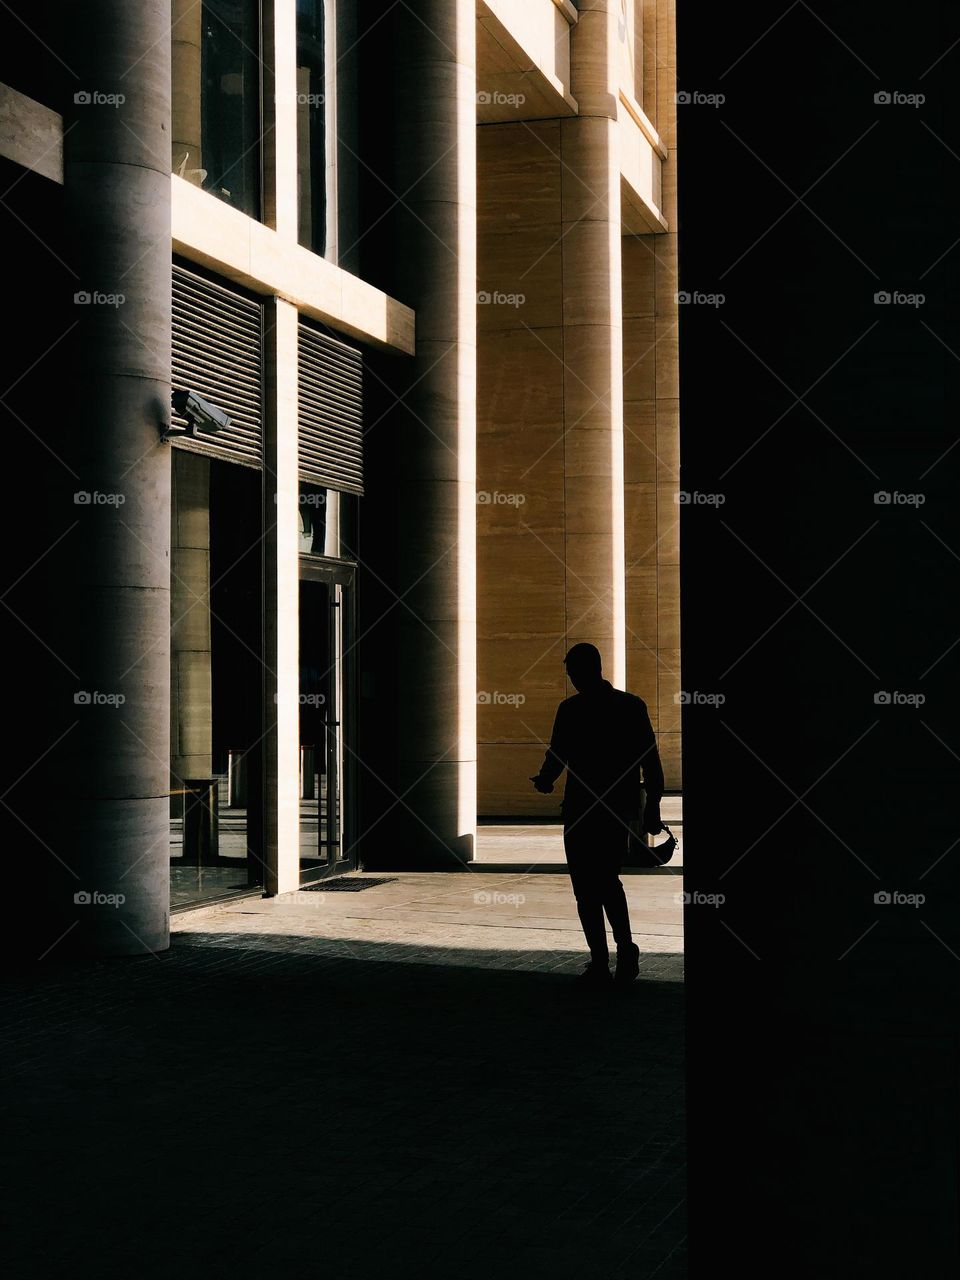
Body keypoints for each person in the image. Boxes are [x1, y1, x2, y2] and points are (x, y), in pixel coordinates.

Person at [530, 643, 664, 986]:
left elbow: (557, 753)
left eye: (572, 673)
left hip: (580, 809)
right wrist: (653, 808)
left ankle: (602, 960)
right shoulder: (631, 707)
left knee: (586, 888)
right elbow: (651, 761)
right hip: (614, 808)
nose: (572, 679)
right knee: (607, 881)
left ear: (582, 671)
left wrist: (545, 780)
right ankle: (622, 950)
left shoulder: (570, 709)